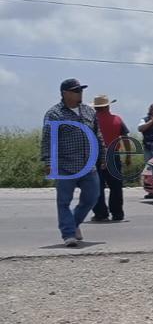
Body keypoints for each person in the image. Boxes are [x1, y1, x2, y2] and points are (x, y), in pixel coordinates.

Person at [41, 78, 106, 247]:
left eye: (81, 90)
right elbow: (48, 140)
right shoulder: (54, 114)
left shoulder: (89, 112)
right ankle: (68, 234)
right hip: (65, 165)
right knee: (63, 201)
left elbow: (98, 135)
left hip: (88, 164)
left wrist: (104, 156)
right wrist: (48, 162)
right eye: (76, 91)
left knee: (92, 197)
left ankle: (73, 223)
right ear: (65, 93)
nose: (80, 93)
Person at [91, 94, 132, 222]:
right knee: (116, 186)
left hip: (96, 156)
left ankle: (101, 213)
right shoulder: (117, 120)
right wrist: (128, 156)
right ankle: (117, 212)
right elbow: (125, 139)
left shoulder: (91, 121)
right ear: (108, 106)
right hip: (113, 155)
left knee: (97, 186)